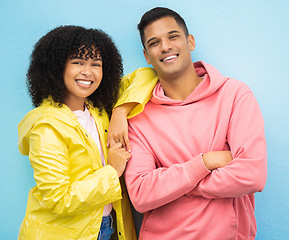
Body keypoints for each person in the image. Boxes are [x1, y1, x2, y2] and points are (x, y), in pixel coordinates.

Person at [122, 7, 267, 240]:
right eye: (154, 42)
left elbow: (252, 175)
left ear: (190, 41)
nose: (166, 46)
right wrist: (206, 162)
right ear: (147, 56)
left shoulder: (234, 95)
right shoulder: (139, 116)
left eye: (173, 36)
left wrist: (176, 185)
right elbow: (140, 194)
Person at [17, 25, 141, 240]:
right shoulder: (47, 126)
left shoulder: (100, 111)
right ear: (57, 67)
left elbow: (146, 75)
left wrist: (121, 111)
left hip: (106, 227)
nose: (88, 72)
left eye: (96, 64)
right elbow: (59, 199)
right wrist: (112, 171)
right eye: (78, 63)